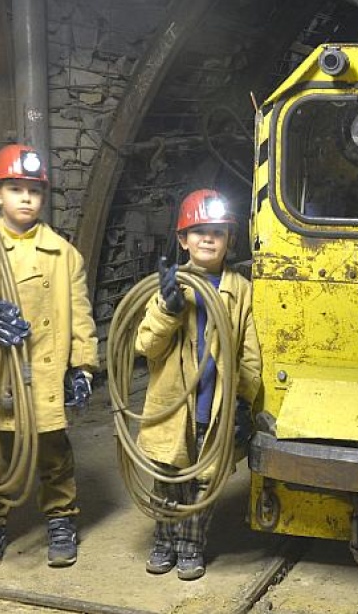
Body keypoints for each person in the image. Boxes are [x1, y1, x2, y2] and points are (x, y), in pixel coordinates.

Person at [0, 143, 99, 569]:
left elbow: (80, 316)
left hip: (45, 376)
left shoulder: (64, 254)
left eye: (34, 191)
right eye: (15, 189)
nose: (26, 198)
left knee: (55, 456)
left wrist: (83, 368)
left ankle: (61, 519)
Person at [135, 188, 262, 581]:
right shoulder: (169, 287)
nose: (208, 238)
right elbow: (146, 346)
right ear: (182, 239)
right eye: (198, 231)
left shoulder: (241, 290)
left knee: (205, 483)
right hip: (174, 407)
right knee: (168, 480)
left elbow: (250, 355)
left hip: (215, 406)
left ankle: (191, 545)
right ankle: (165, 540)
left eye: (217, 232)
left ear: (229, 239)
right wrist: (168, 311)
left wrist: (243, 401)